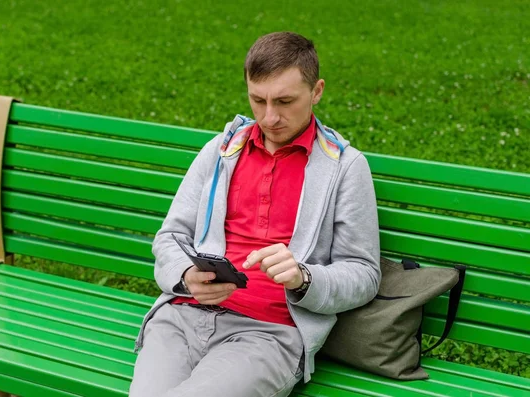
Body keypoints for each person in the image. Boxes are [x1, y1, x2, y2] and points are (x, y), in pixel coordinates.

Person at [129, 31, 380, 397]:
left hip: (267, 334)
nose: (269, 117)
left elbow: (364, 274)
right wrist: (185, 276)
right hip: (181, 318)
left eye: (284, 101)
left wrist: (304, 278)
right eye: (257, 100)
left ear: (317, 91)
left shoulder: (344, 167)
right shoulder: (222, 150)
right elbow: (170, 237)